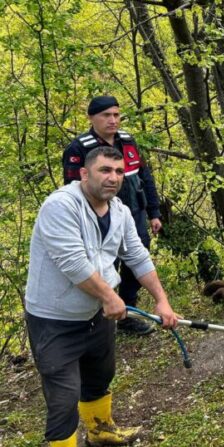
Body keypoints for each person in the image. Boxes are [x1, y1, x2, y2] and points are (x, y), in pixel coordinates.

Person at [25, 146, 179, 446]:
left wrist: (162, 299)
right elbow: (72, 262)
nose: (113, 178)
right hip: (55, 319)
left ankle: (100, 432)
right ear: (84, 173)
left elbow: (136, 255)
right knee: (64, 395)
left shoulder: (119, 211)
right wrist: (111, 297)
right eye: (105, 170)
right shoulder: (60, 206)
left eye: (119, 172)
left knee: (99, 376)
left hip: (97, 315)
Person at [63, 95, 162, 335]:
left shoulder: (128, 141)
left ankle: (127, 314)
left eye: (116, 115)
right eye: (106, 115)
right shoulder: (79, 148)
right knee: (104, 265)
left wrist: (154, 212)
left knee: (136, 262)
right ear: (91, 118)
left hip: (133, 214)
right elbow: (73, 189)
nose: (113, 120)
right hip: (99, 219)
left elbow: (145, 177)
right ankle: (103, 316)